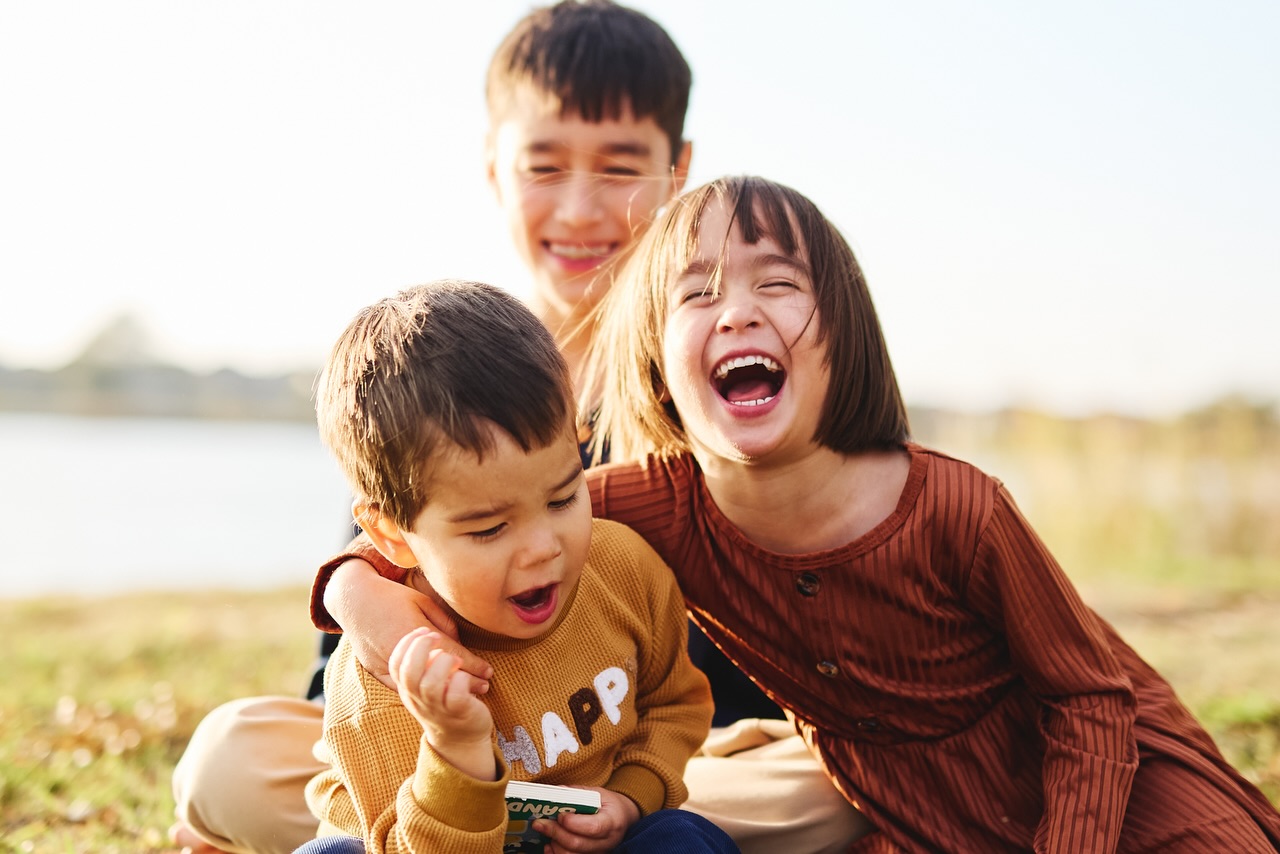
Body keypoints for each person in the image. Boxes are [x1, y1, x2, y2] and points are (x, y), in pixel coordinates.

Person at [323, 176, 1280, 852]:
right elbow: (432, 536)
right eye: (697, 295)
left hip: (1120, 800)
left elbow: (1089, 702)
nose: (737, 311)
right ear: (656, 363)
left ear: (842, 333)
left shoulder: (956, 509)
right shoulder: (628, 507)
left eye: (776, 283)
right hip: (914, 818)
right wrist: (370, 607)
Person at [170, 4, 866, 853]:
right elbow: (341, 689)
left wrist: (642, 785)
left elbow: (733, 665)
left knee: (824, 787)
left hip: (646, 755)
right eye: (543, 166)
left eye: (620, 168)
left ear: (679, 170)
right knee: (229, 755)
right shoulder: (440, 368)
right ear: (494, 168)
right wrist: (367, 600)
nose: (579, 209)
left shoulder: (709, 375)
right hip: (457, 763)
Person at [291, 279, 736, 854]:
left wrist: (629, 798)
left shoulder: (624, 569)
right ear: (389, 536)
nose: (542, 548)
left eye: (561, 499)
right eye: (489, 529)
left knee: (685, 837)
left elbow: (673, 703)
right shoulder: (377, 683)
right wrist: (456, 748)